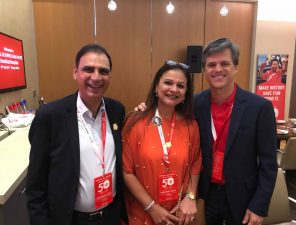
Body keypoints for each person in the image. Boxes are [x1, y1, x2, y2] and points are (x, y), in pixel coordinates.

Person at [26, 44, 128, 225]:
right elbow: (36, 184)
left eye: (103, 71)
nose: (96, 77)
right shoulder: (50, 116)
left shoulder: (116, 110)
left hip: (111, 216)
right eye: (88, 69)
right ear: (75, 72)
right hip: (70, 219)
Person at [194, 38, 277, 225]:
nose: (217, 69)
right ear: (205, 70)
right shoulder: (195, 104)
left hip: (244, 197)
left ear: (236, 67)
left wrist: (259, 206)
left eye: (224, 63)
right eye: (211, 64)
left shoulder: (259, 107)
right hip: (206, 195)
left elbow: (269, 164)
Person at [122, 61, 202, 225]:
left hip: (179, 213)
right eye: (168, 83)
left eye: (180, 85)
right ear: (156, 88)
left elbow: (195, 163)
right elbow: (126, 171)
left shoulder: (191, 126)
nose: (174, 89)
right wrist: (152, 208)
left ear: (186, 93)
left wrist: (191, 196)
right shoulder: (135, 122)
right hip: (142, 212)